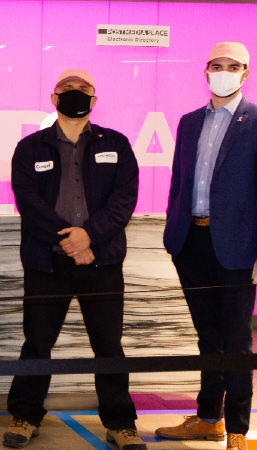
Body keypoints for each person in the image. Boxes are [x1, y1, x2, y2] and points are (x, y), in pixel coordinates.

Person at [5, 70, 144, 450]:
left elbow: (124, 199)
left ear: (94, 101)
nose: (75, 94)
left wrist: (89, 237)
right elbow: (27, 201)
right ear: (54, 99)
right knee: (36, 342)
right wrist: (68, 239)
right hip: (47, 263)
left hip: (101, 263)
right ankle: (25, 414)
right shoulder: (30, 147)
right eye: (67, 89)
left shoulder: (116, 143)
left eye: (83, 89)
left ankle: (121, 422)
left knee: (109, 345)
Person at [159, 42, 256, 450]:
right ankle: (207, 418)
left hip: (237, 246)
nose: (223, 72)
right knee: (206, 337)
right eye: (217, 65)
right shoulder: (187, 122)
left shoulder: (255, 122)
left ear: (245, 73)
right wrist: (172, 230)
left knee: (235, 339)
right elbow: (179, 180)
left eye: (232, 66)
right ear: (205, 71)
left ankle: (237, 429)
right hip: (191, 241)